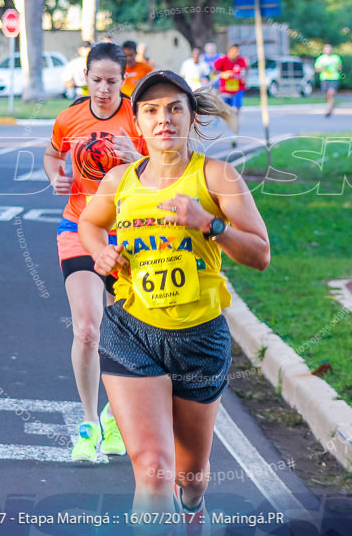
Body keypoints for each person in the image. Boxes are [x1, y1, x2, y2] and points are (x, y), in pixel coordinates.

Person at [78, 70, 270, 527]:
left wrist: (209, 223)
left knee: (190, 475)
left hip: (199, 338)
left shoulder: (217, 176)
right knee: (153, 473)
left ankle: (193, 506)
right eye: (150, 111)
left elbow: (261, 254)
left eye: (173, 109)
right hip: (131, 332)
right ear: (138, 125)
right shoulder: (120, 181)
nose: (162, 119)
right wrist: (100, 252)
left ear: (190, 118)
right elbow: (89, 224)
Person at [44, 42, 147, 462]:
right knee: (87, 330)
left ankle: (116, 418)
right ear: (84, 77)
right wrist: (55, 176)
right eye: (96, 80)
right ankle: (89, 424)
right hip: (77, 228)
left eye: (112, 81)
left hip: (128, 237)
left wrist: (138, 156)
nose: (103, 89)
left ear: (125, 80)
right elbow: (52, 154)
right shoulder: (69, 117)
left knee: (123, 333)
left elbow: (165, 175)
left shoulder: (138, 119)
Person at [213, 43, 247, 133]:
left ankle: (235, 125)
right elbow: (214, 71)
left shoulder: (241, 60)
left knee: (236, 109)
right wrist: (223, 74)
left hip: (238, 88)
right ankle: (230, 123)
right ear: (229, 52)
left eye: (238, 51)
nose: (237, 53)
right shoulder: (222, 60)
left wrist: (245, 78)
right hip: (226, 89)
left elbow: (247, 68)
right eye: (235, 51)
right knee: (226, 110)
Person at [314, 43, 343, 117]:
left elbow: (340, 67)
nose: (328, 51)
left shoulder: (336, 57)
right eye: (326, 49)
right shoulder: (321, 58)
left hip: (334, 78)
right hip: (324, 78)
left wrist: (339, 68)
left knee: (331, 93)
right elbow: (316, 69)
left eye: (329, 49)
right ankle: (331, 105)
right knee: (327, 95)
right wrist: (321, 69)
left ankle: (329, 109)